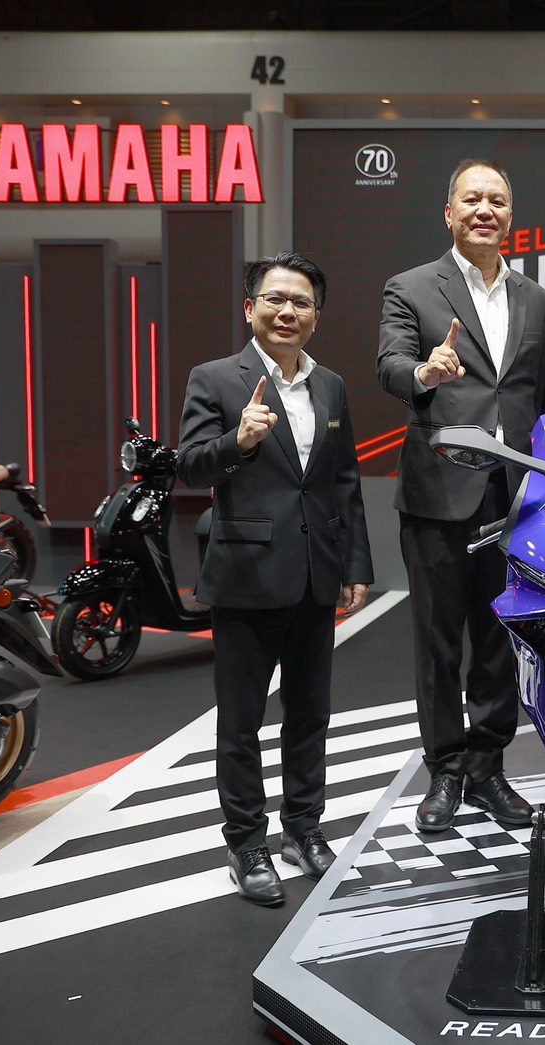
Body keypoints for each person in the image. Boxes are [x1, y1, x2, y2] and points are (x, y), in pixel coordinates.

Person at [176, 251, 374, 907]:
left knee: (310, 715)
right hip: (246, 575)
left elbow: (343, 480)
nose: (288, 311)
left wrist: (356, 563)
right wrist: (237, 441)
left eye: (301, 302)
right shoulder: (215, 378)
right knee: (240, 723)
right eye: (275, 299)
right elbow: (189, 466)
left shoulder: (331, 385)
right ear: (250, 308)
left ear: (316, 315)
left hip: (316, 575)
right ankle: (246, 844)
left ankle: (303, 829)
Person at [376, 159, 545, 833]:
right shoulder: (412, 287)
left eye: (497, 200)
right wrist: (425, 371)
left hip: (515, 494)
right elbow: (390, 365)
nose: (485, 209)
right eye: (472, 199)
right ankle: (445, 770)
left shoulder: (537, 298)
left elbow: (541, 392)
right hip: (440, 490)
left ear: (511, 216)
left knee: (500, 636)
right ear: (448, 213)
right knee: (437, 642)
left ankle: (487, 768)